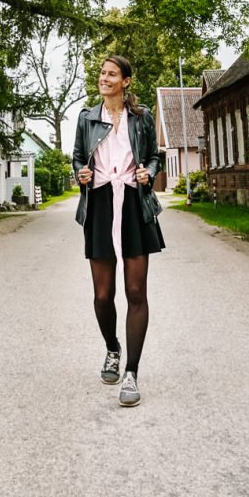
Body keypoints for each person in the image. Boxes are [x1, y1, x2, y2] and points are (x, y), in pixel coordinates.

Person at [72, 55, 164, 407]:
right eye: (102, 73)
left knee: (136, 291)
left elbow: (154, 156)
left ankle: (131, 372)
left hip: (133, 205)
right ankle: (112, 348)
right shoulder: (86, 119)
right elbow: (79, 158)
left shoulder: (140, 119)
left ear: (126, 81)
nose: (104, 78)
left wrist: (147, 173)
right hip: (99, 205)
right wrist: (81, 173)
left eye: (111, 74)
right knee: (102, 295)